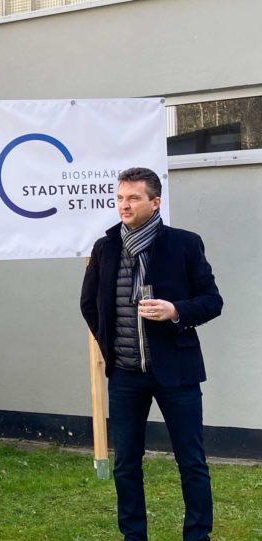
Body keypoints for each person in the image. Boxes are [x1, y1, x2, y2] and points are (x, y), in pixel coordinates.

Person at [80, 167, 222, 541]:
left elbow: (212, 301)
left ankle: (198, 536)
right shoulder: (106, 248)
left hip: (178, 372)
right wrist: (111, 346)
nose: (123, 205)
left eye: (133, 198)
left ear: (155, 202)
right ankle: (134, 536)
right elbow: (89, 304)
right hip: (125, 375)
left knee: (192, 462)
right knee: (126, 464)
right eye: (120, 198)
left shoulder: (184, 244)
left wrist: (175, 311)